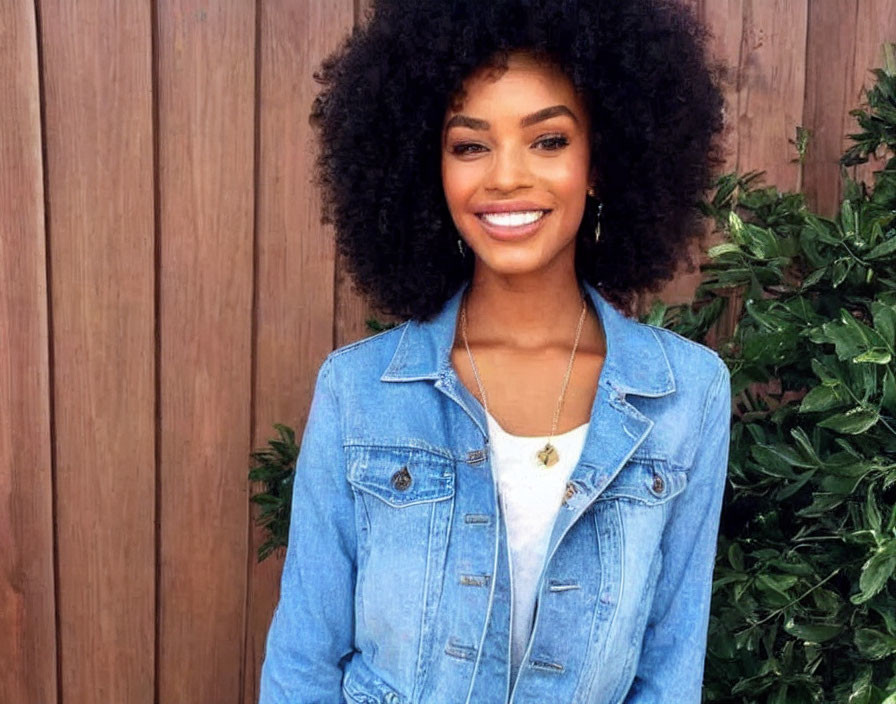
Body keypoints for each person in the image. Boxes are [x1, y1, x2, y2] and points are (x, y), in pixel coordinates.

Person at [259, 0, 731, 701]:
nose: (506, 176)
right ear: (431, 170)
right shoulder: (357, 393)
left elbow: (669, 667)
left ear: (602, 160)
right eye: (470, 145)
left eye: (548, 141)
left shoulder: (687, 393)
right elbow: (303, 662)